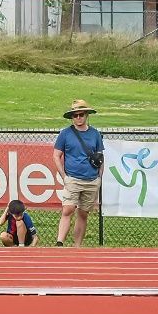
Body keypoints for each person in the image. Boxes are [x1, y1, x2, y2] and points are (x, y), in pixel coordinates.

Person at [53, 99, 104, 247]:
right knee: (68, 209)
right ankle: (59, 242)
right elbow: (56, 155)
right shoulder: (65, 134)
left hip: (91, 179)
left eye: (81, 114)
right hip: (72, 179)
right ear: (72, 117)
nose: (78, 118)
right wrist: (64, 177)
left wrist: (99, 178)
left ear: (86, 115)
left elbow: (100, 157)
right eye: (75, 115)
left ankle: (77, 247)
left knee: (83, 214)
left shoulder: (95, 134)